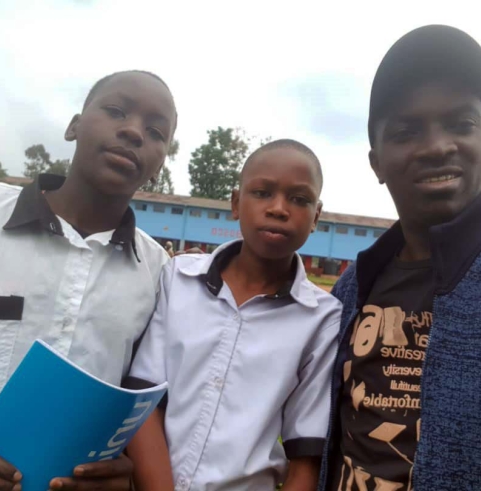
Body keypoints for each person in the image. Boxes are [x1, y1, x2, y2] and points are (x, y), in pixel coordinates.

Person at [321, 25, 481, 491]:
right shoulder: (354, 285)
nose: (438, 147)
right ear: (376, 162)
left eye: (461, 124)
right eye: (407, 130)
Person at [0, 69, 177, 491]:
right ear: (74, 125)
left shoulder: (156, 271)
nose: (132, 132)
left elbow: (133, 406)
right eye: (115, 111)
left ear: (160, 161)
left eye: (155, 131)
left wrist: (118, 474)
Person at [126, 139, 342, 490]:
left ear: (316, 217)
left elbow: (307, 452)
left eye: (299, 200)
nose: (278, 209)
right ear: (235, 203)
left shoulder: (322, 319)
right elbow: (144, 403)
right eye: (262, 193)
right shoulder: (179, 279)